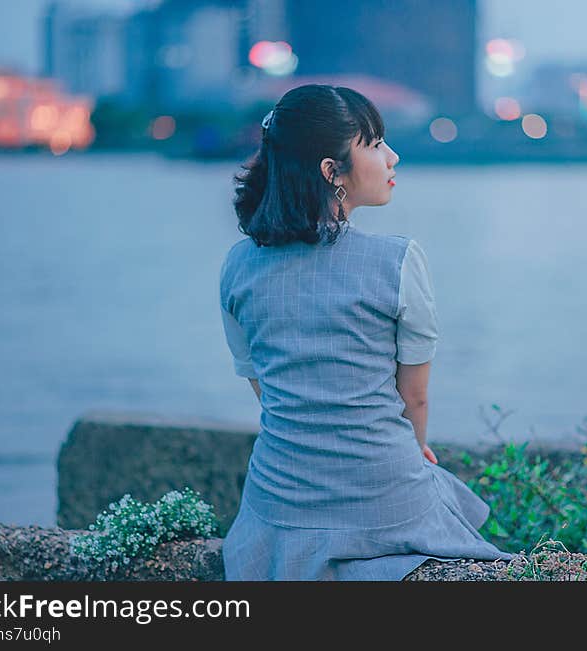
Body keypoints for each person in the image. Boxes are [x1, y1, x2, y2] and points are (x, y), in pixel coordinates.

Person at [219, 84, 514, 580]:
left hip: (280, 503)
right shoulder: (397, 261)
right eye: (375, 144)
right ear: (331, 172)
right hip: (384, 499)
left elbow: (267, 389)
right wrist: (412, 450)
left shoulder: (238, 266)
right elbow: (413, 400)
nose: (392, 156)